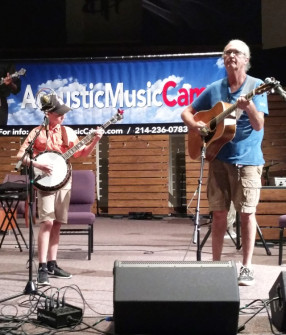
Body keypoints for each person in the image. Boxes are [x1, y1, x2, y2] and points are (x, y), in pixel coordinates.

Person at [181, 39, 268, 286]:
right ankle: (216, 266)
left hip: (247, 162)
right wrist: (195, 125)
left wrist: (248, 106)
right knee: (218, 215)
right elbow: (186, 112)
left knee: (246, 215)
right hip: (218, 159)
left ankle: (247, 267)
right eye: (227, 52)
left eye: (236, 52)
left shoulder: (257, 86)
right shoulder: (215, 88)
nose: (231, 55)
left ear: (246, 60)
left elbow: (258, 124)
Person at [16, 92, 104, 286]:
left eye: (64, 113)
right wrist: (38, 165)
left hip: (64, 181)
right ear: (48, 113)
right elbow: (21, 156)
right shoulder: (37, 132)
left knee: (57, 223)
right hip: (45, 182)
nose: (63, 116)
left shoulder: (68, 132)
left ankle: (53, 263)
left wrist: (95, 140)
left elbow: (81, 154)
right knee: (46, 222)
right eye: (59, 113)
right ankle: (41, 266)